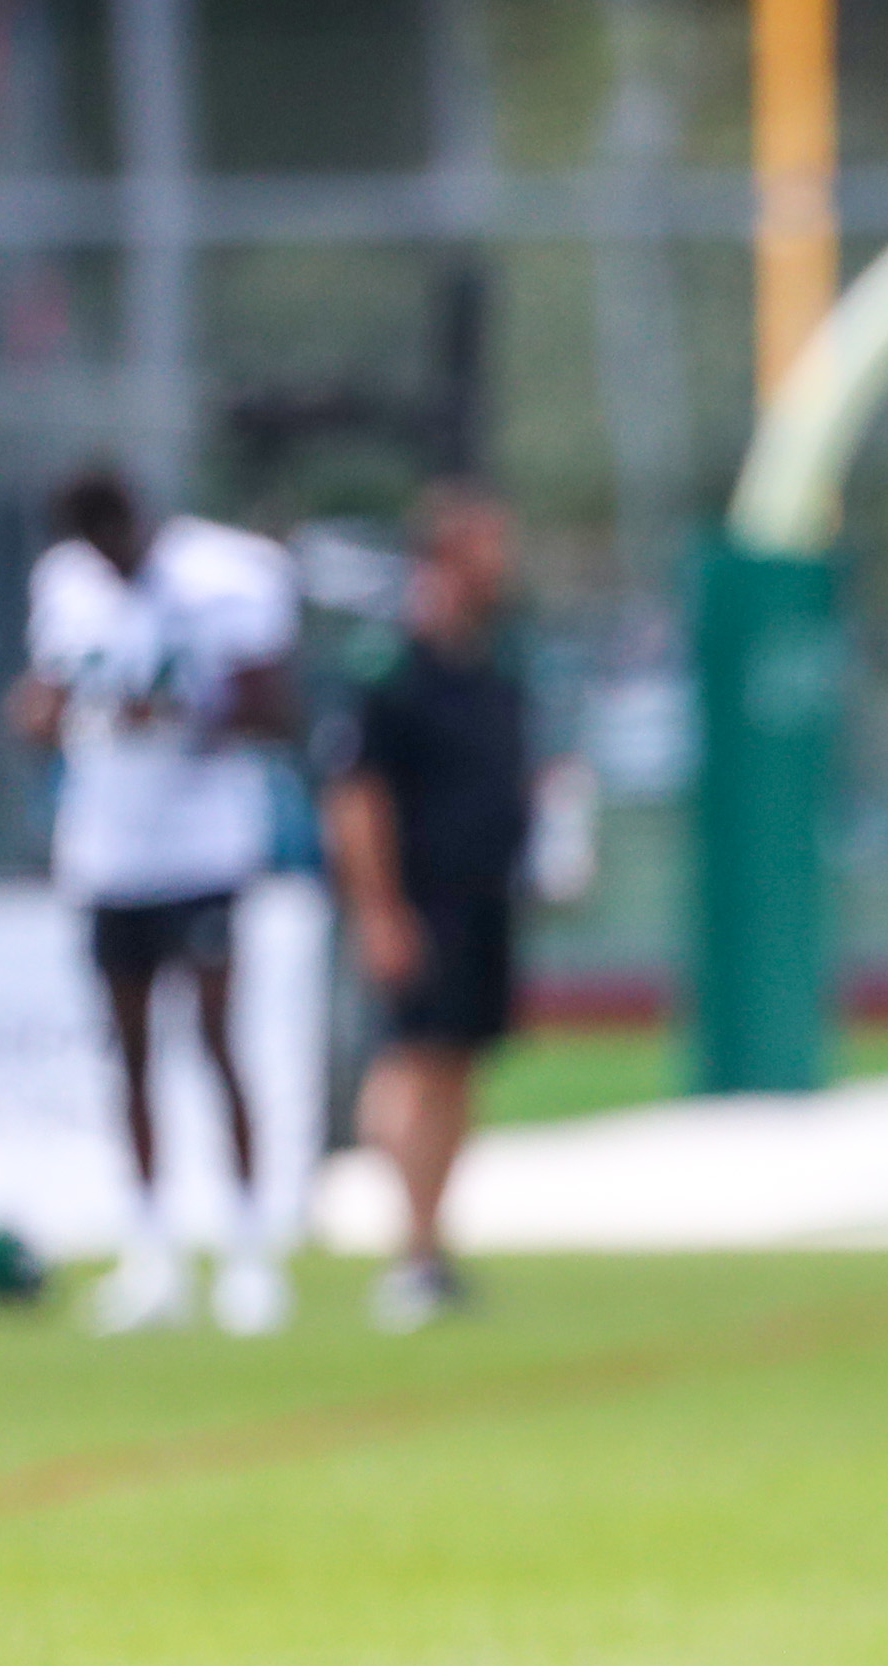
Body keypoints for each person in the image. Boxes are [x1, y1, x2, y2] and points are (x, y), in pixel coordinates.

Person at [11, 467, 301, 1335]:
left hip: (204, 844)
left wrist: (177, 714)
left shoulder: (222, 575)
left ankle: (251, 1250)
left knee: (215, 1037)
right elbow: (42, 704)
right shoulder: (66, 588)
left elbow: (277, 708)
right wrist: (52, 714)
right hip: (108, 853)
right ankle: (152, 1249)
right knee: (128, 1050)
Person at [321, 485, 533, 1332]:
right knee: (411, 1058)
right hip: (421, 899)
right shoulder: (391, 669)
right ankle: (406, 1248)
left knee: (459, 1064)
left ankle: (434, 1243)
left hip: (486, 898)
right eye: (489, 549)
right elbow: (357, 797)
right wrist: (380, 911)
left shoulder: (493, 664)